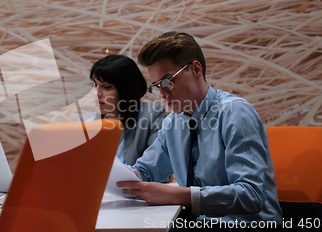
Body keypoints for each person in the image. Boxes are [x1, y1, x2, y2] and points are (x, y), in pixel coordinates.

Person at [117, 32, 283, 226]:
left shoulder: (235, 112)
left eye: (167, 81)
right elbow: (144, 171)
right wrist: (117, 175)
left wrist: (180, 195)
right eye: (156, 85)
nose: (162, 93)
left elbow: (251, 195)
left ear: (196, 69)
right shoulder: (173, 123)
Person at [89, 54, 166, 166]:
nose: (96, 93)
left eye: (106, 86)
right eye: (94, 85)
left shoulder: (152, 114)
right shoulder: (87, 122)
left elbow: (159, 168)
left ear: (127, 89)